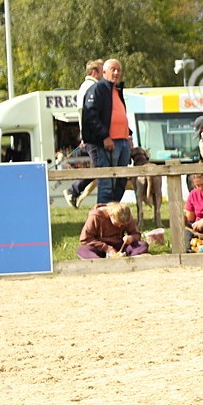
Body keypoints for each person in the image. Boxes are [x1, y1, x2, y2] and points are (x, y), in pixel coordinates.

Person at [80, 59, 132, 205]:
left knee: (121, 180)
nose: (116, 73)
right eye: (113, 69)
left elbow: (119, 114)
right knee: (107, 182)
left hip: (122, 141)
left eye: (119, 70)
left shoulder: (117, 90)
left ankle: (113, 213)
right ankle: (103, 216)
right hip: (108, 142)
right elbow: (90, 115)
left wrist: (128, 134)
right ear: (104, 72)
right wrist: (105, 136)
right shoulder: (98, 89)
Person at [65, 59, 103, 208]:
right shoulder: (93, 87)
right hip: (94, 137)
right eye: (102, 71)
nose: (104, 75)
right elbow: (92, 114)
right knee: (100, 170)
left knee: (99, 169)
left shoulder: (84, 87)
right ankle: (73, 190)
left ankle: (75, 191)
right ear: (95, 72)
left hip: (89, 136)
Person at [76, 201, 148, 259]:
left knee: (142, 245)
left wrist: (131, 238)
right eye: (117, 224)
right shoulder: (95, 216)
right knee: (83, 250)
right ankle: (98, 262)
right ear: (111, 215)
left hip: (119, 245)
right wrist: (107, 248)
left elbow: (136, 234)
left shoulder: (126, 216)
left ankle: (133, 258)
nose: (120, 226)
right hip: (99, 247)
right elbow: (85, 239)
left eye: (122, 225)